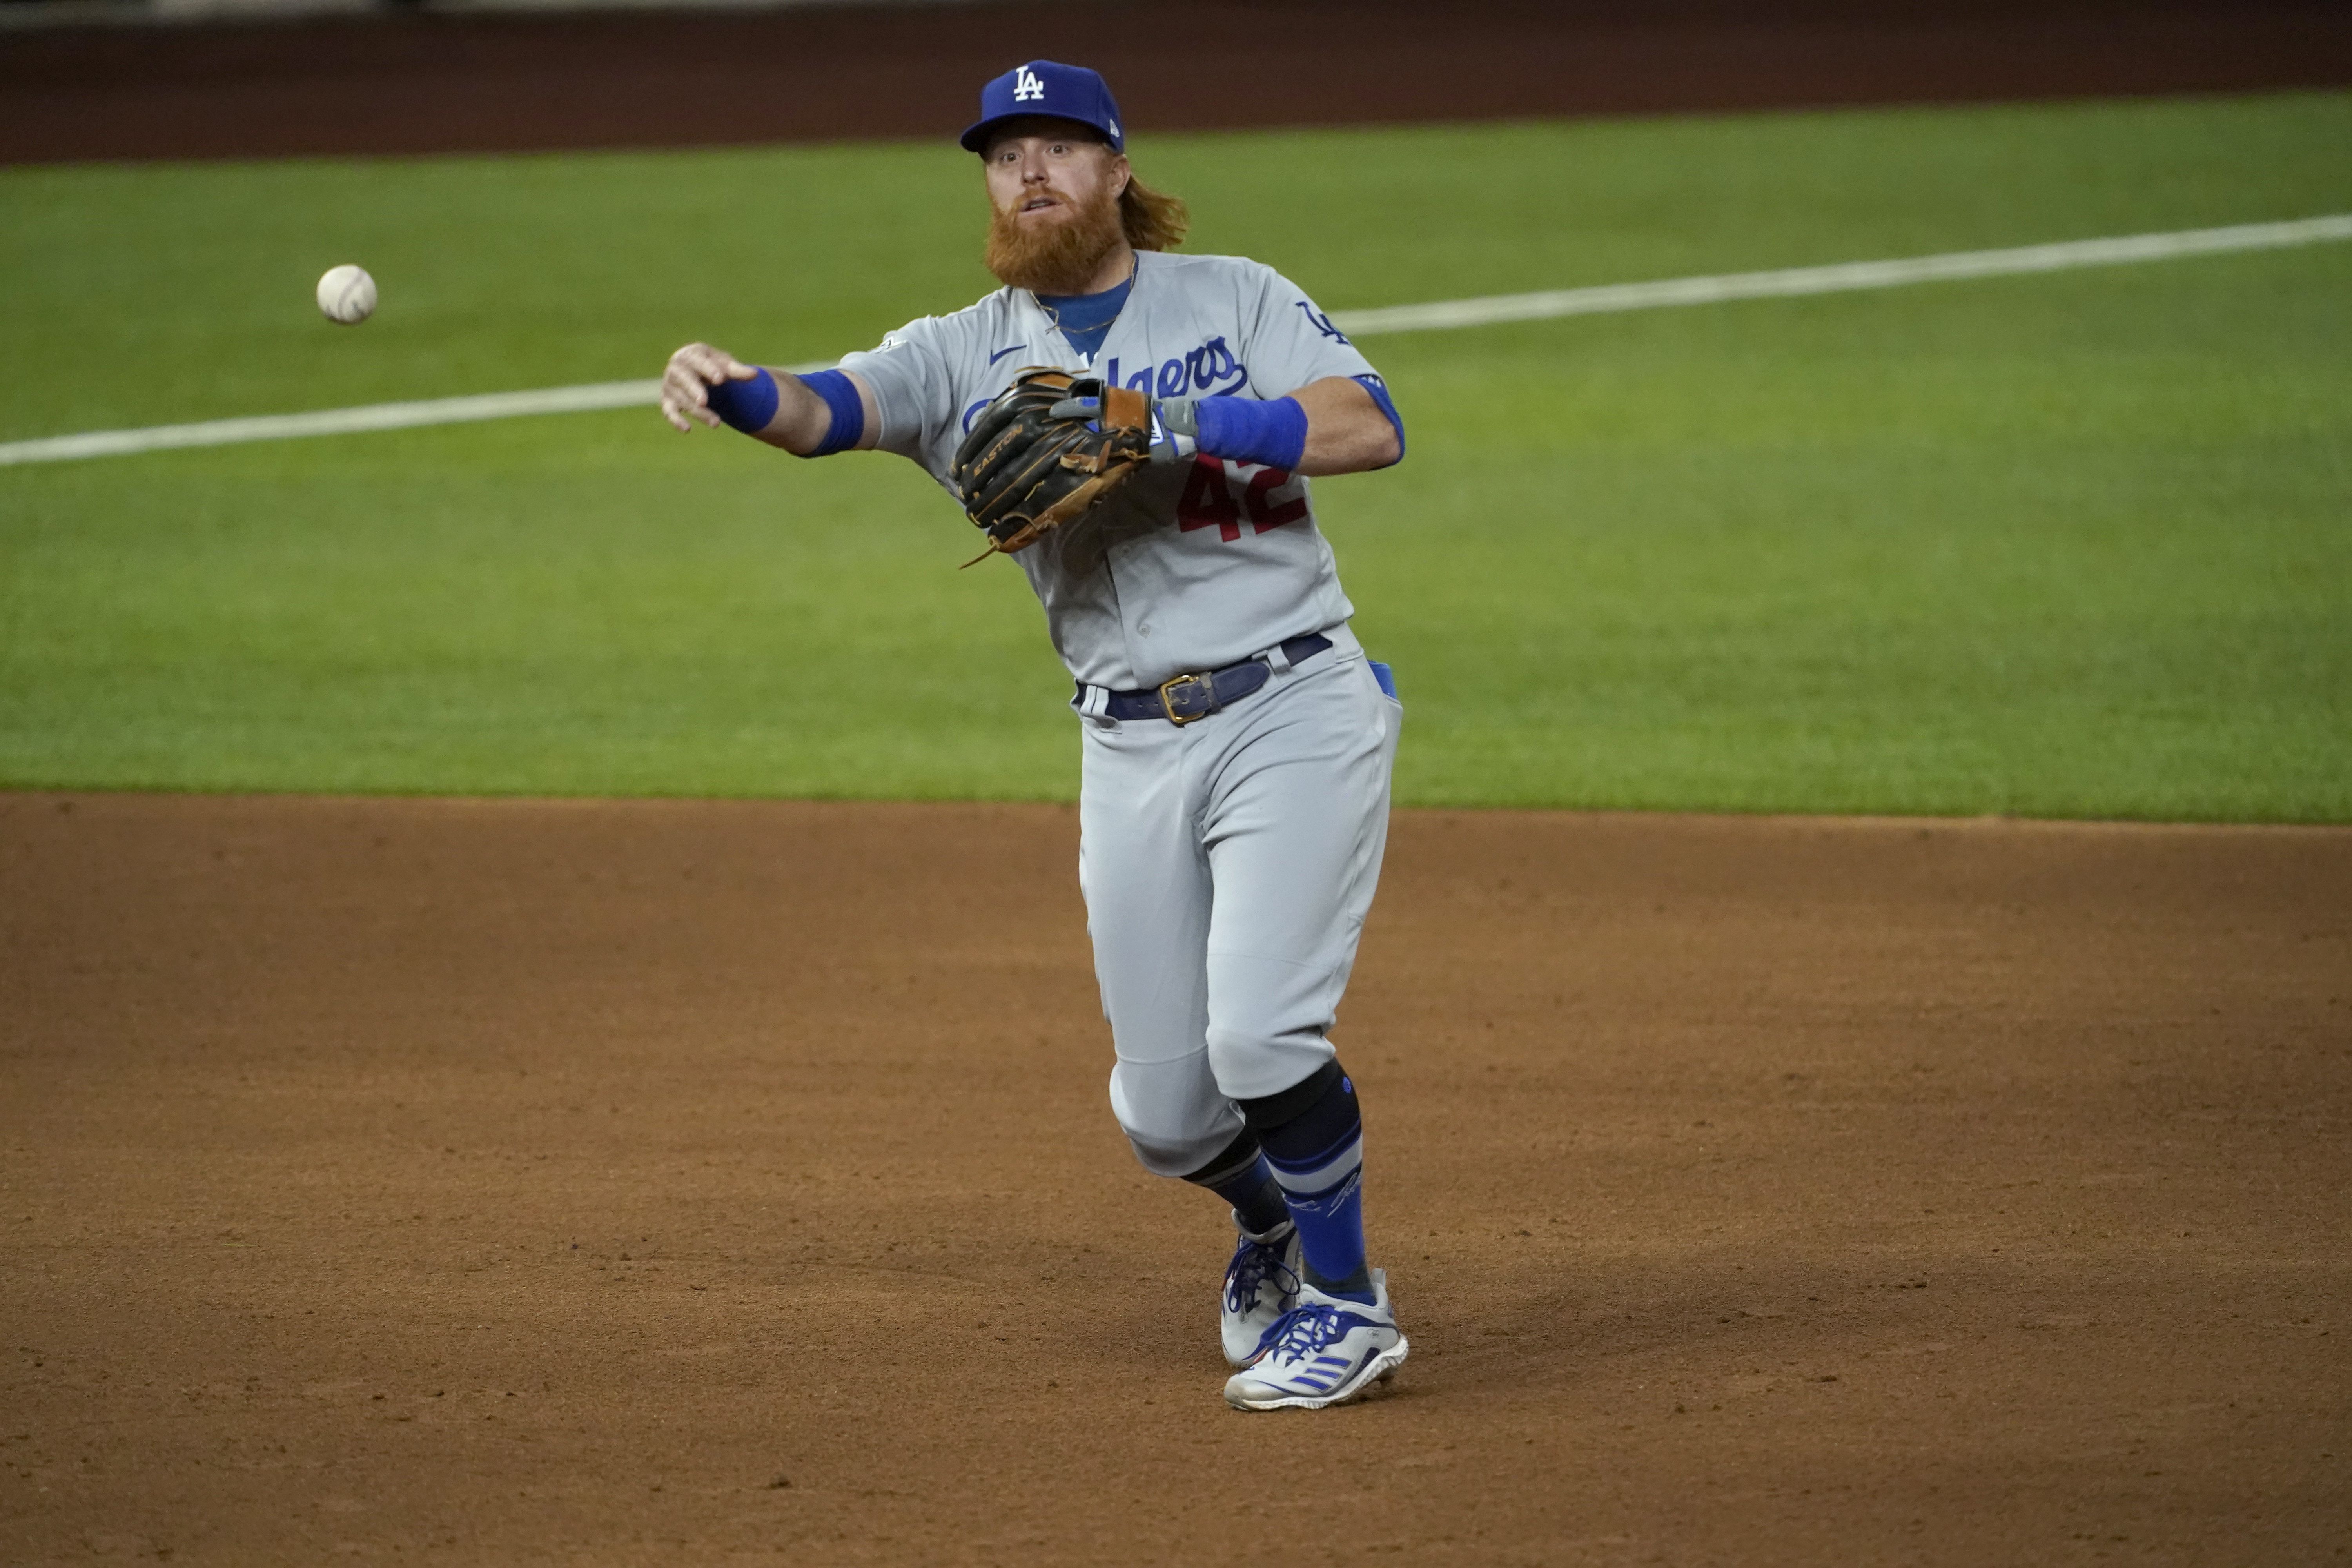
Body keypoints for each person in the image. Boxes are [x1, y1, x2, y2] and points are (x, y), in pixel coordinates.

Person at [659, 59, 1410, 1411]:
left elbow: (1370, 426)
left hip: (1294, 698)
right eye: (1007, 156)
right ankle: (1273, 1229)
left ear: (1119, 171)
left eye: (1061, 147)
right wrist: (731, 389)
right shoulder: (959, 351)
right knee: (1168, 1117)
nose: (1032, 173)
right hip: (1128, 744)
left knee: (1261, 1040)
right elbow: (826, 411)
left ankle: (1353, 1309)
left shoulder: (1236, 295)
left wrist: (1169, 418)